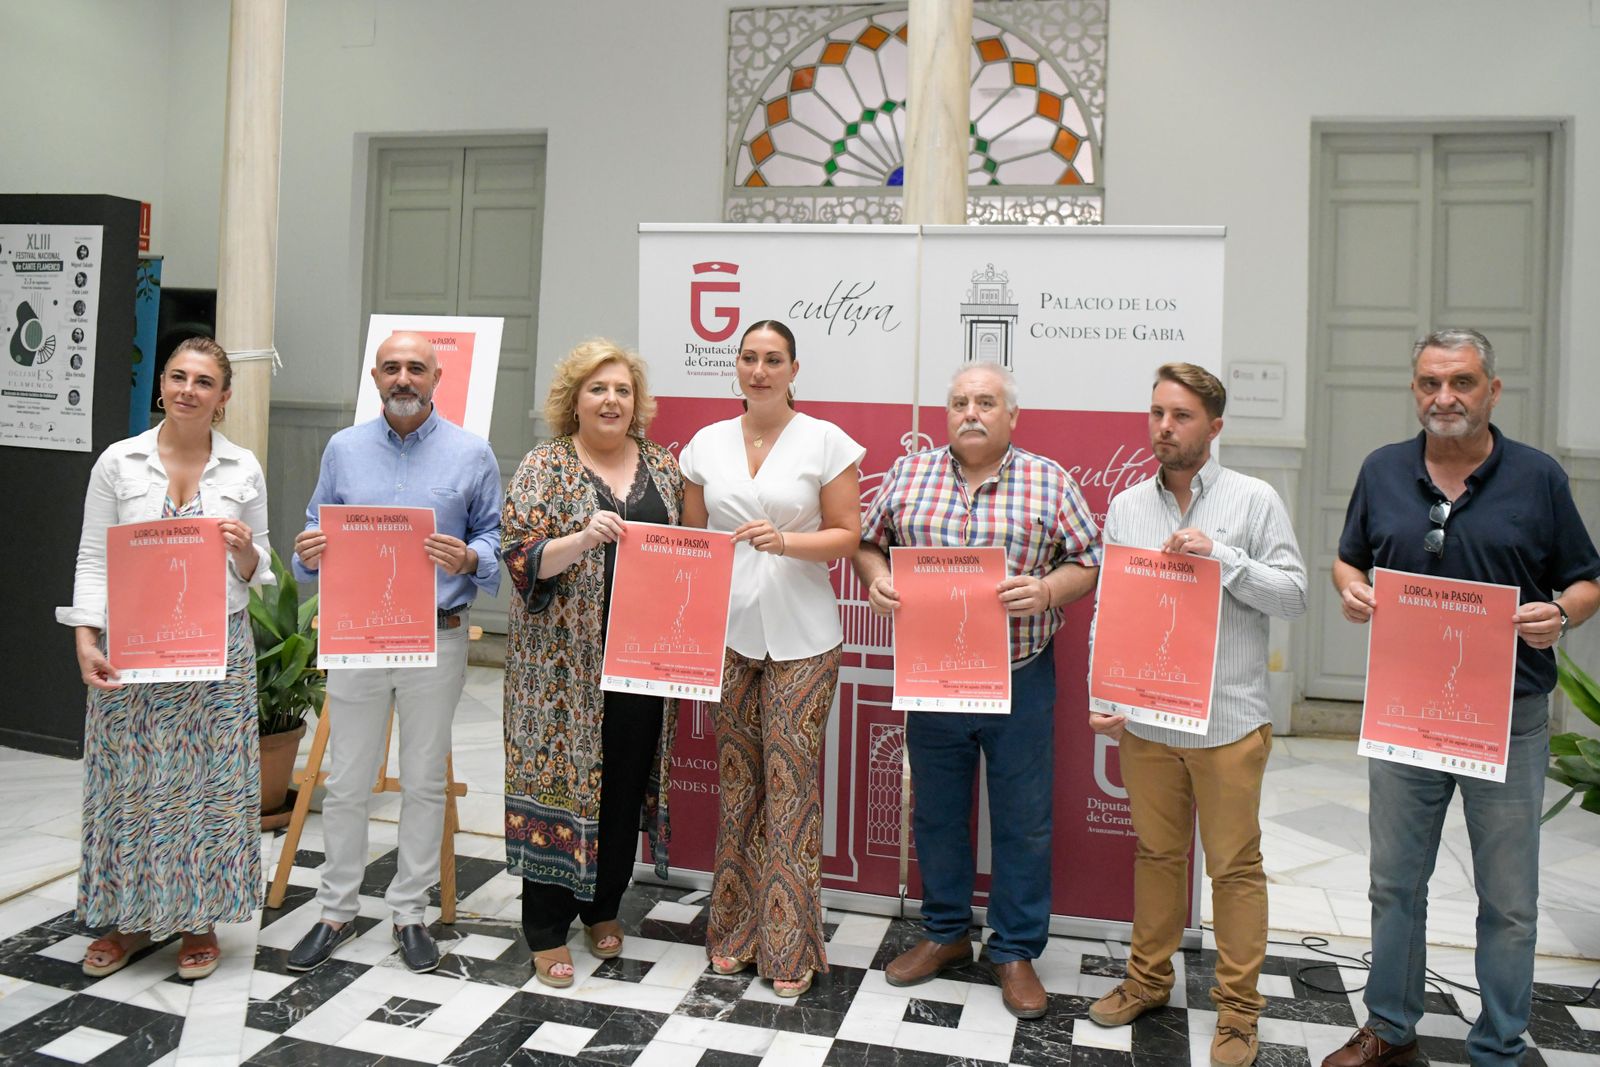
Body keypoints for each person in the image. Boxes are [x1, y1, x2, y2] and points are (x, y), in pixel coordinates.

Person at [1325, 328, 1600, 1067]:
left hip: (1507, 718)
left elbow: (1585, 577)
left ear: (1492, 390)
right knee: (1394, 884)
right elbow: (1349, 558)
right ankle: (1389, 1027)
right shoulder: (1382, 470)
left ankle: (1500, 1045)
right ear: (1414, 391)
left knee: (1508, 901)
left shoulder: (1539, 478)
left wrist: (1563, 613)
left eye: (1462, 382)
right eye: (1429, 383)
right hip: (1407, 716)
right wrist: (1350, 588)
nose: (1444, 397)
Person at [854, 360, 1101, 1019]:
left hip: (1020, 678)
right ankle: (944, 935)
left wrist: (1049, 589)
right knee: (936, 813)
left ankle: (1014, 949)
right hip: (935, 681)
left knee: (1024, 822)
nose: (971, 412)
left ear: (1011, 415)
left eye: (986, 401)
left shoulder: (1049, 481)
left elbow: (1090, 561)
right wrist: (876, 578)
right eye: (960, 401)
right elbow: (866, 542)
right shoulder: (910, 474)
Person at [1086, 363, 1307, 1067]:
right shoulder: (1126, 505)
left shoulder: (1254, 499)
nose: (1163, 427)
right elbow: (1111, 605)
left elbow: (1295, 595)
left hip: (1227, 722)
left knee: (1235, 868)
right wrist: (1105, 688)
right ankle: (1148, 981)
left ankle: (1238, 1013)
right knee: (1155, 854)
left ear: (1214, 426)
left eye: (1180, 415)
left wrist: (1226, 558)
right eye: (1156, 412)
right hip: (1149, 723)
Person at [287, 331, 502, 974]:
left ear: (437, 377)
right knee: (348, 780)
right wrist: (308, 551)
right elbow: (314, 528)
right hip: (359, 637)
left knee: (425, 780)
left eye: (416, 368)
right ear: (373, 376)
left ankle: (410, 912)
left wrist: (470, 556)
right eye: (391, 368)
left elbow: (493, 536)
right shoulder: (343, 449)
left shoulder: (473, 452)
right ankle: (335, 910)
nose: (403, 378)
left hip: (436, 633)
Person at [58, 337, 272, 981]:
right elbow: (94, 556)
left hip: (217, 648)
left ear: (223, 398)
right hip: (136, 646)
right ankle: (123, 919)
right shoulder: (118, 463)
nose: (187, 389)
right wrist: (85, 635)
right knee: (128, 782)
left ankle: (198, 921)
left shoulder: (243, 468)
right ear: (162, 385)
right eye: (177, 377)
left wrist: (242, 551)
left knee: (208, 787)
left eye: (204, 382)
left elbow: (257, 568)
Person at [680, 319, 863, 998]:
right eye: (749, 357)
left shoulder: (825, 440)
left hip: (803, 636)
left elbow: (848, 536)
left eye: (773, 359)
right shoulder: (705, 444)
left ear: (793, 368)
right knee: (739, 787)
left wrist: (786, 541)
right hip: (727, 635)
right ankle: (732, 930)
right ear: (736, 365)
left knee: (789, 790)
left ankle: (788, 946)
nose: (759, 369)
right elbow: (693, 541)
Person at [500, 339, 682, 988]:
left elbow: (685, 552)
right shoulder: (544, 465)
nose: (611, 400)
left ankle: (602, 904)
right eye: (598, 389)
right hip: (558, 675)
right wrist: (579, 540)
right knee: (556, 787)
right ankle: (546, 928)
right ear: (574, 399)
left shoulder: (663, 465)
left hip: (641, 662)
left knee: (623, 783)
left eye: (622, 390)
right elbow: (518, 559)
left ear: (637, 403)